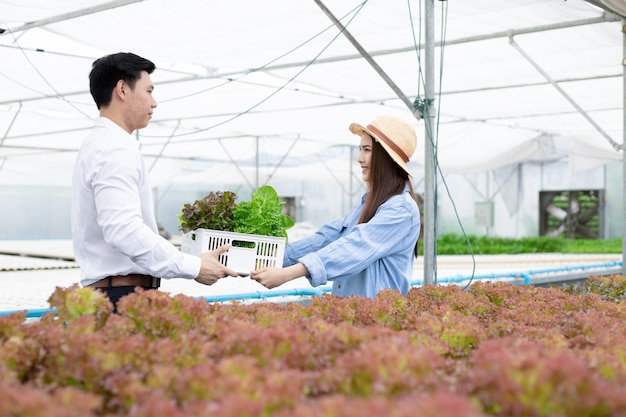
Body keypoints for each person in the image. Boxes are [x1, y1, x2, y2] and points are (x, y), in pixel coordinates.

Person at [71, 52, 237, 309]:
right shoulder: (114, 148)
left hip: (112, 294)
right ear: (123, 89)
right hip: (121, 298)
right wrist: (194, 266)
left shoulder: (100, 144)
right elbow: (123, 229)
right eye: (149, 91)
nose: (154, 102)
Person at [250, 115, 421, 298]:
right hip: (351, 319)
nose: (359, 158)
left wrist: (288, 274)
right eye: (360, 149)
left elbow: (354, 248)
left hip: (377, 321)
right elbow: (327, 238)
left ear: (386, 158)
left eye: (367, 150)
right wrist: (264, 259)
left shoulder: (401, 210)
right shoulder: (368, 203)